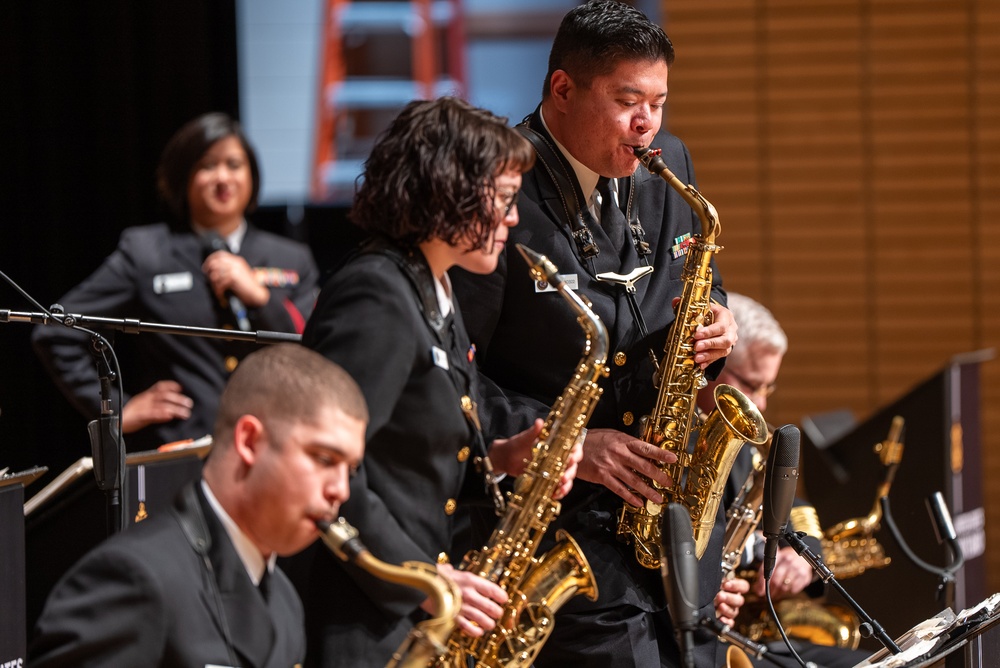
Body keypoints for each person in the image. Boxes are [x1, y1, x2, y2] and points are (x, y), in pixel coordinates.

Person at [450, 2, 742, 666]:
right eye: (628, 101)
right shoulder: (502, 194)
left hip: (669, 518)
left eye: (659, 103)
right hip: (563, 530)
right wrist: (571, 444)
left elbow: (703, 279)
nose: (648, 125)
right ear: (562, 90)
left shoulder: (670, 166)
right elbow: (455, 376)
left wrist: (718, 319)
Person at [292, 96, 580, 667]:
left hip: (402, 608)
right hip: (359, 612)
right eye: (502, 201)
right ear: (447, 189)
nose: (513, 219)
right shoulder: (377, 293)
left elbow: (414, 452)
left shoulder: (436, 290)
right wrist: (425, 580)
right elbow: (324, 466)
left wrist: (498, 458)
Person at [29, 343, 368, 667]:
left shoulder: (284, 602)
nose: (341, 490)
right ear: (250, 441)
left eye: (350, 470)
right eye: (324, 458)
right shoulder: (136, 579)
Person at [32, 112, 320, 452]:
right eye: (207, 166)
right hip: (184, 452)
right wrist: (117, 408)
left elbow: (315, 351)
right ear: (183, 176)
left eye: (234, 164)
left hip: (278, 448)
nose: (223, 178)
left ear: (253, 176)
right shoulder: (147, 252)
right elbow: (55, 329)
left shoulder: (291, 258)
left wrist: (260, 297)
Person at [704, 293, 870, 668]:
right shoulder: (676, 438)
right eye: (751, 384)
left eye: (769, 388)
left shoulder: (752, 439)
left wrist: (803, 556)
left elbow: (796, 505)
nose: (760, 404)